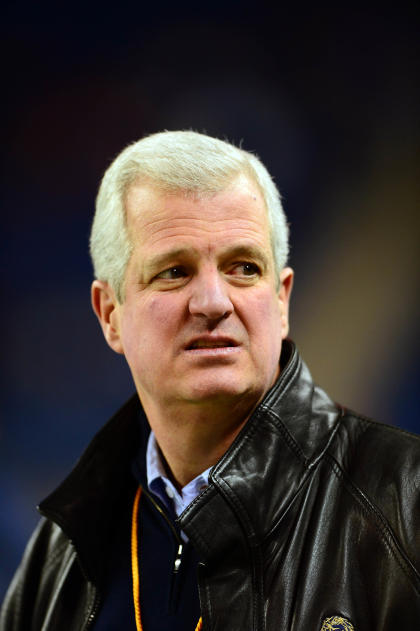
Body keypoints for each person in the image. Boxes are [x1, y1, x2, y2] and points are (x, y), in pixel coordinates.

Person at [1, 131, 419, 631]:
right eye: (175, 272)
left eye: (243, 268)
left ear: (281, 301)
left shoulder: (406, 505)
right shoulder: (60, 554)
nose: (214, 302)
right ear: (110, 313)